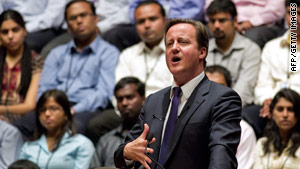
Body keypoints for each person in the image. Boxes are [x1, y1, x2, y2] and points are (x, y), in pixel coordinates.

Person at [114, 18, 241, 169]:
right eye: (169, 43)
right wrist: (127, 151)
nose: (174, 48)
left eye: (183, 42)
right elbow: (122, 152)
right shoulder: (153, 101)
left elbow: (222, 158)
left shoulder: (222, 98)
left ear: (202, 52)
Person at [86, 0, 172, 144]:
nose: (147, 25)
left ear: (165, 21)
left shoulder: (175, 52)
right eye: (141, 21)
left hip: (165, 113)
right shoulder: (128, 55)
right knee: (96, 124)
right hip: (131, 114)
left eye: (152, 19)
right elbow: (118, 93)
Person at [37, 0, 119, 134]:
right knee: (25, 123)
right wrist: (45, 109)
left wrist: (73, 110)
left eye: (83, 15)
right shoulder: (56, 53)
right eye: (73, 18)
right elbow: (44, 87)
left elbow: (104, 93)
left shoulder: (108, 53)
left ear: (95, 18)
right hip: (53, 108)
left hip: (86, 109)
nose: (79, 21)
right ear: (68, 26)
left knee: (74, 126)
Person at [19, 89, 95, 169]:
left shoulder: (81, 144)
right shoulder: (28, 146)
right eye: (42, 110)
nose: (47, 114)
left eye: (54, 109)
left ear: (66, 114)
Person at [205, 0, 261, 106]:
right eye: (212, 21)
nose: (216, 25)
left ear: (234, 21)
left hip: (236, 109)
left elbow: (243, 92)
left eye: (222, 20)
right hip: (204, 108)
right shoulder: (203, 49)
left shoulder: (250, 49)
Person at [205, 65, 256, 169]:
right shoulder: (185, 122)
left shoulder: (245, 130)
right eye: (208, 87)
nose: (214, 93)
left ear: (229, 90)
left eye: (220, 87)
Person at [90, 77, 145, 168]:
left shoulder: (154, 136)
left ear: (143, 99)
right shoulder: (106, 140)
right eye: (119, 99)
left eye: (129, 97)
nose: (124, 103)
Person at [0, 10, 43, 123]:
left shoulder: (35, 60)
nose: (10, 36)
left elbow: (29, 105)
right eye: (5, 32)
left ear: (24, 31)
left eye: (15, 30)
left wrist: (2, 110)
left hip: (20, 118)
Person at [205, 0, 285, 48]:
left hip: (262, 24)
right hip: (227, 18)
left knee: (252, 37)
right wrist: (231, 22)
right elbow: (210, 5)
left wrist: (251, 22)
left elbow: (277, 10)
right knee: (202, 32)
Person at [252, 88, 300, 168]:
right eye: (280, 109)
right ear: (272, 114)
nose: (285, 114)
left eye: (290, 109)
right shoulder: (262, 145)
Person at [0, 0, 69, 53]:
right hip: (9, 24)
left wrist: (24, 29)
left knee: (24, 45)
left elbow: (54, 17)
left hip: (43, 27)